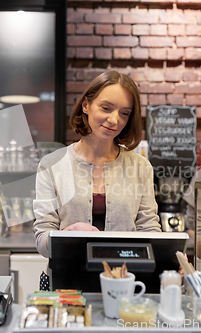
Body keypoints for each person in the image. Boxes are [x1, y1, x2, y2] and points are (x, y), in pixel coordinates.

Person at [33, 70, 161, 290]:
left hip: (124, 285)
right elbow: (41, 240)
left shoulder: (140, 167)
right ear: (86, 105)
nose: (114, 120)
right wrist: (65, 236)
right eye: (106, 108)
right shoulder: (51, 164)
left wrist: (166, 257)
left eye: (124, 113)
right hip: (65, 284)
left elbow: (149, 230)